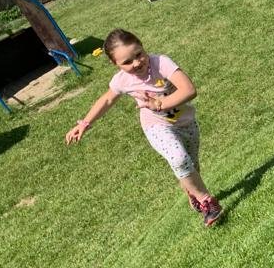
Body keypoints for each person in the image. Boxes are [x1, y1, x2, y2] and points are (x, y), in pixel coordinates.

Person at [65, 29, 224, 227]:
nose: (137, 63)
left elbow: (189, 90)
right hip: (156, 126)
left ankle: (193, 193)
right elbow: (106, 100)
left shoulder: (161, 63)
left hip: (186, 122)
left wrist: (159, 104)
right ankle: (208, 203)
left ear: (142, 46)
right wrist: (84, 123)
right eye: (127, 62)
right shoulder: (122, 81)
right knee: (179, 159)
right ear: (115, 64)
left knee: (190, 167)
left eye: (139, 54)